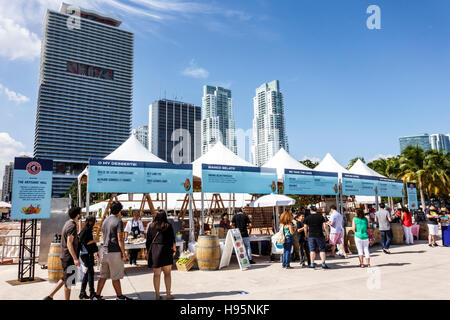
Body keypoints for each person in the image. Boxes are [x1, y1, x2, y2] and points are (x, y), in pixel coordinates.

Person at [95, 201, 132, 300]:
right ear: (119, 211)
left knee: (103, 275)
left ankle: (97, 295)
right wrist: (124, 253)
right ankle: (119, 296)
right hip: (114, 251)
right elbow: (120, 238)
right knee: (115, 276)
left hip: (104, 250)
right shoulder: (118, 221)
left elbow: (103, 235)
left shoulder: (105, 221)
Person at [44, 207, 81, 300]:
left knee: (66, 278)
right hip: (69, 257)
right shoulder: (72, 226)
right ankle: (50, 296)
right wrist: (75, 258)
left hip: (65, 256)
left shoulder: (67, 223)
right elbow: (69, 243)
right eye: (80, 213)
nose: (81, 215)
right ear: (77, 215)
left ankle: (50, 296)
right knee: (68, 280)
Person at [145, 210, 176, 300]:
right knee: (167, 274)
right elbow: (172, 239)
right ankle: (168, 294)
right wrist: (174, 250)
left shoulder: (151, 226)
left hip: (155, 251)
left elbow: (148, 241)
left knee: (156, 274)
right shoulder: (168, 226)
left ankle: (157, 295)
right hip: (166, 250)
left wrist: (147, 252)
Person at [78, 215, 98, 300]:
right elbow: (85, 242)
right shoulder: (87, 230)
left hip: (85, 253)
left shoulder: (85, 229)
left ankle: (82, 293)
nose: (95, 223)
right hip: (86, 254)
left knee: (87, 273)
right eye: (94, 221)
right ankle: (92, 293)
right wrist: (94, 241)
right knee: (90, 273)